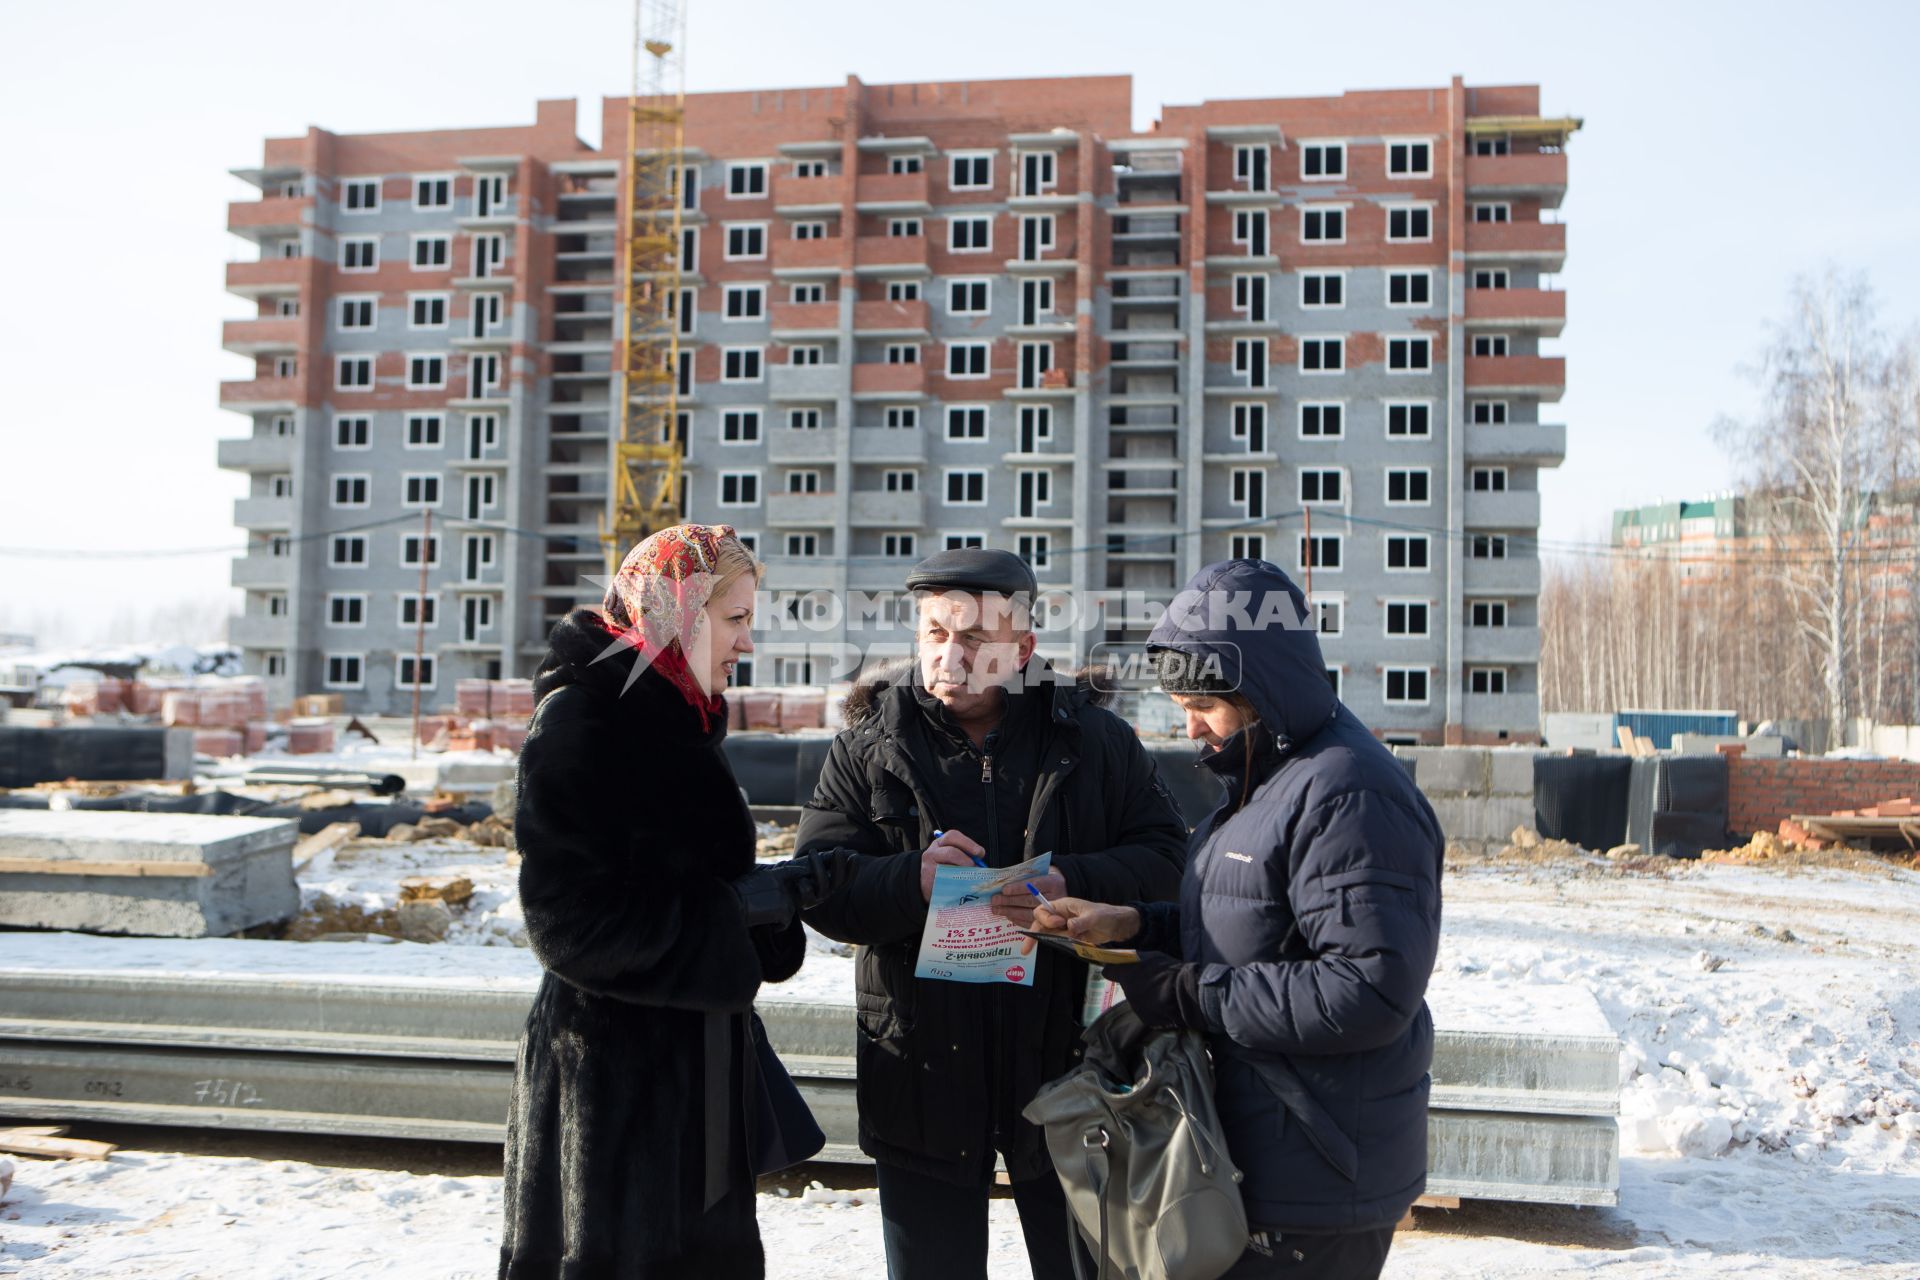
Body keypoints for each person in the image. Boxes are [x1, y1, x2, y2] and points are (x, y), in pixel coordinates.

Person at [1032, 557, 1445, 1280]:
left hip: (1316, 1171)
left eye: (1204, 706)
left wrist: (1190, 993)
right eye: (1179, 703)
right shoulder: (1268, 774)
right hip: (1263, 1150)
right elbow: (1252, 920)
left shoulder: (1349, 794)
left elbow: (1368, 990)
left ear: (1260, 688)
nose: (1189, 725)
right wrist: (1130, 924)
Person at [796, 548, 1190, 1280]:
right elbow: (820, 883)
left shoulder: (1095, 742)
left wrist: (1074, 881)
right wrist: (908, 880)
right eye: (936, 633)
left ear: (1023, 649)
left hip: (1070, 1067)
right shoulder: (866, 747)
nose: (951, 655)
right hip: (919, 1064)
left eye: (974, 639)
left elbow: (1169, 857)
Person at [500, 524, 847, 1280]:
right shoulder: (583, 722)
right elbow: (571, 925)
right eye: (735, 620)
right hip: (613, 1092)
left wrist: (772, 900)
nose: (745, 642)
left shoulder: (680, 715)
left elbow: (690, 877)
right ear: (678, 615)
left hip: (693, 1076)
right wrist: (740, 909)